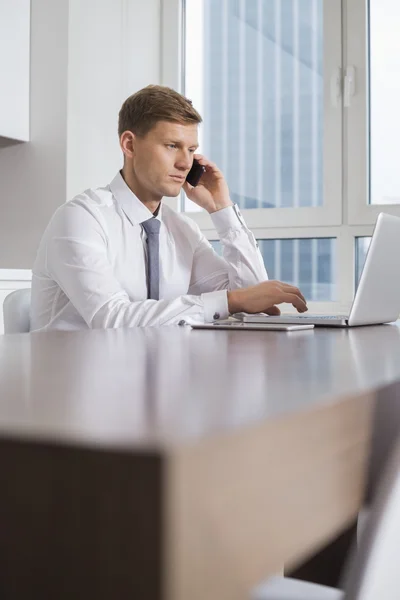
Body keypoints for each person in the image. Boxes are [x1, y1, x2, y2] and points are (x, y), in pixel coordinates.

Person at [30, 85, 307, 331]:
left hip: (152, 380)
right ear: (129, 144)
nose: (185, 163)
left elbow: (252, 299)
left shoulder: (182, 229)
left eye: (191, 149)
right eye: (172, 145)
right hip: (71, 382)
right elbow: (111, 319)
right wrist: (230, 301)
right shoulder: (81, 218)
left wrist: (222, 210)